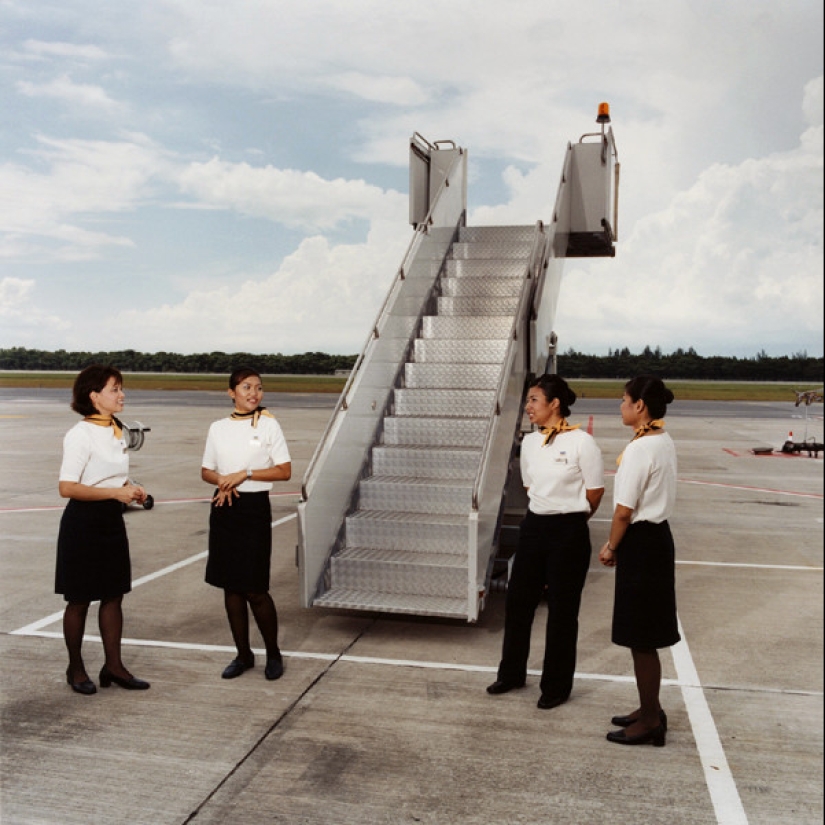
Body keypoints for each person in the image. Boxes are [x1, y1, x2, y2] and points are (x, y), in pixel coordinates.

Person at [487, 374, 604, 709]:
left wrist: (571, 518)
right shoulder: (530, 443)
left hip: (569, 532)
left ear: (555, 404)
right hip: (534, 527)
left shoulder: (582, 442)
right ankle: (511, 674)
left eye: (534, 399)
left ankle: (556, 687)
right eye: (527, 400)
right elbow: (529, 487)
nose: (528, 406)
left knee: (563, 613)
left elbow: (594, 493)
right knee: (518, 604)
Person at [56, 365, 150, 695]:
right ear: (94, 396)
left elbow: (108, 476)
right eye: (114, 389)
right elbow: (67, 487)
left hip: (111, 520)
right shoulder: (80, 434)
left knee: (113, 596)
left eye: (121, 388)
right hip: (83, 523)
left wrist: (131, 488)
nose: (121, 394)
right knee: (79, 600)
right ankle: (76, 668)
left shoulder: (116, 429)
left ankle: (114, 666)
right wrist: (115, 492)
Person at [599, 375, 679, 747]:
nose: (620, 405)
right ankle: (650, 707)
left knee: (641, 637)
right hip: (657, 540)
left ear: (640, 407)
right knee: (645, 634)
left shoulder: (639, 449)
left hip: (642, 543)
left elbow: (623, 512)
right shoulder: (661, 440)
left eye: (624, 399)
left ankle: (650, 720)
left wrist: (611, 547)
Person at [201, 367, 291, 681]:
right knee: (231, 588)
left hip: (253, 508)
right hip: (224, 505)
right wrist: (224, 483)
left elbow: (284, 471)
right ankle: (243, 655)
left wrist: (246, 474)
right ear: (231, 392)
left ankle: (273, 653)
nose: (253, 393)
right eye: (246, 387)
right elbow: (206, 471)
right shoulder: (218, 428)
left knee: (255, 589)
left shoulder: (268, 426)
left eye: (258, 388)